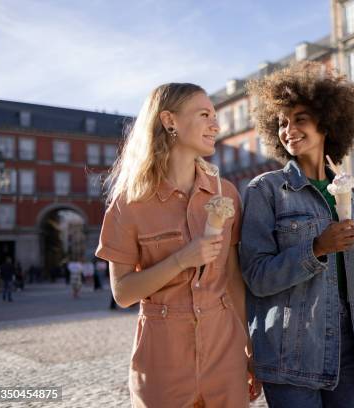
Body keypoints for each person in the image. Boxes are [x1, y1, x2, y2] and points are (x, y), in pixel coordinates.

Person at [95, 83, 260, 407]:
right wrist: (181, 259)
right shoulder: (129, 204)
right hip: (162, 360)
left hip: (224, 352)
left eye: (215, 115)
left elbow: (233, 281)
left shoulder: (225, 194)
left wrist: (251, 350)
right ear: (169, 121)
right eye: (204, 115)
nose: (216, 124)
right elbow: (123, 293)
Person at [241, 62, 354, 408]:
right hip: (290, 355)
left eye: (299, 119)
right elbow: (256, 277)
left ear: (326, 122)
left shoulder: (348, 195)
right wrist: (317, 248)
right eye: (281, 122)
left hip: (352, 354)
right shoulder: (265, 191)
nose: (288, 130)